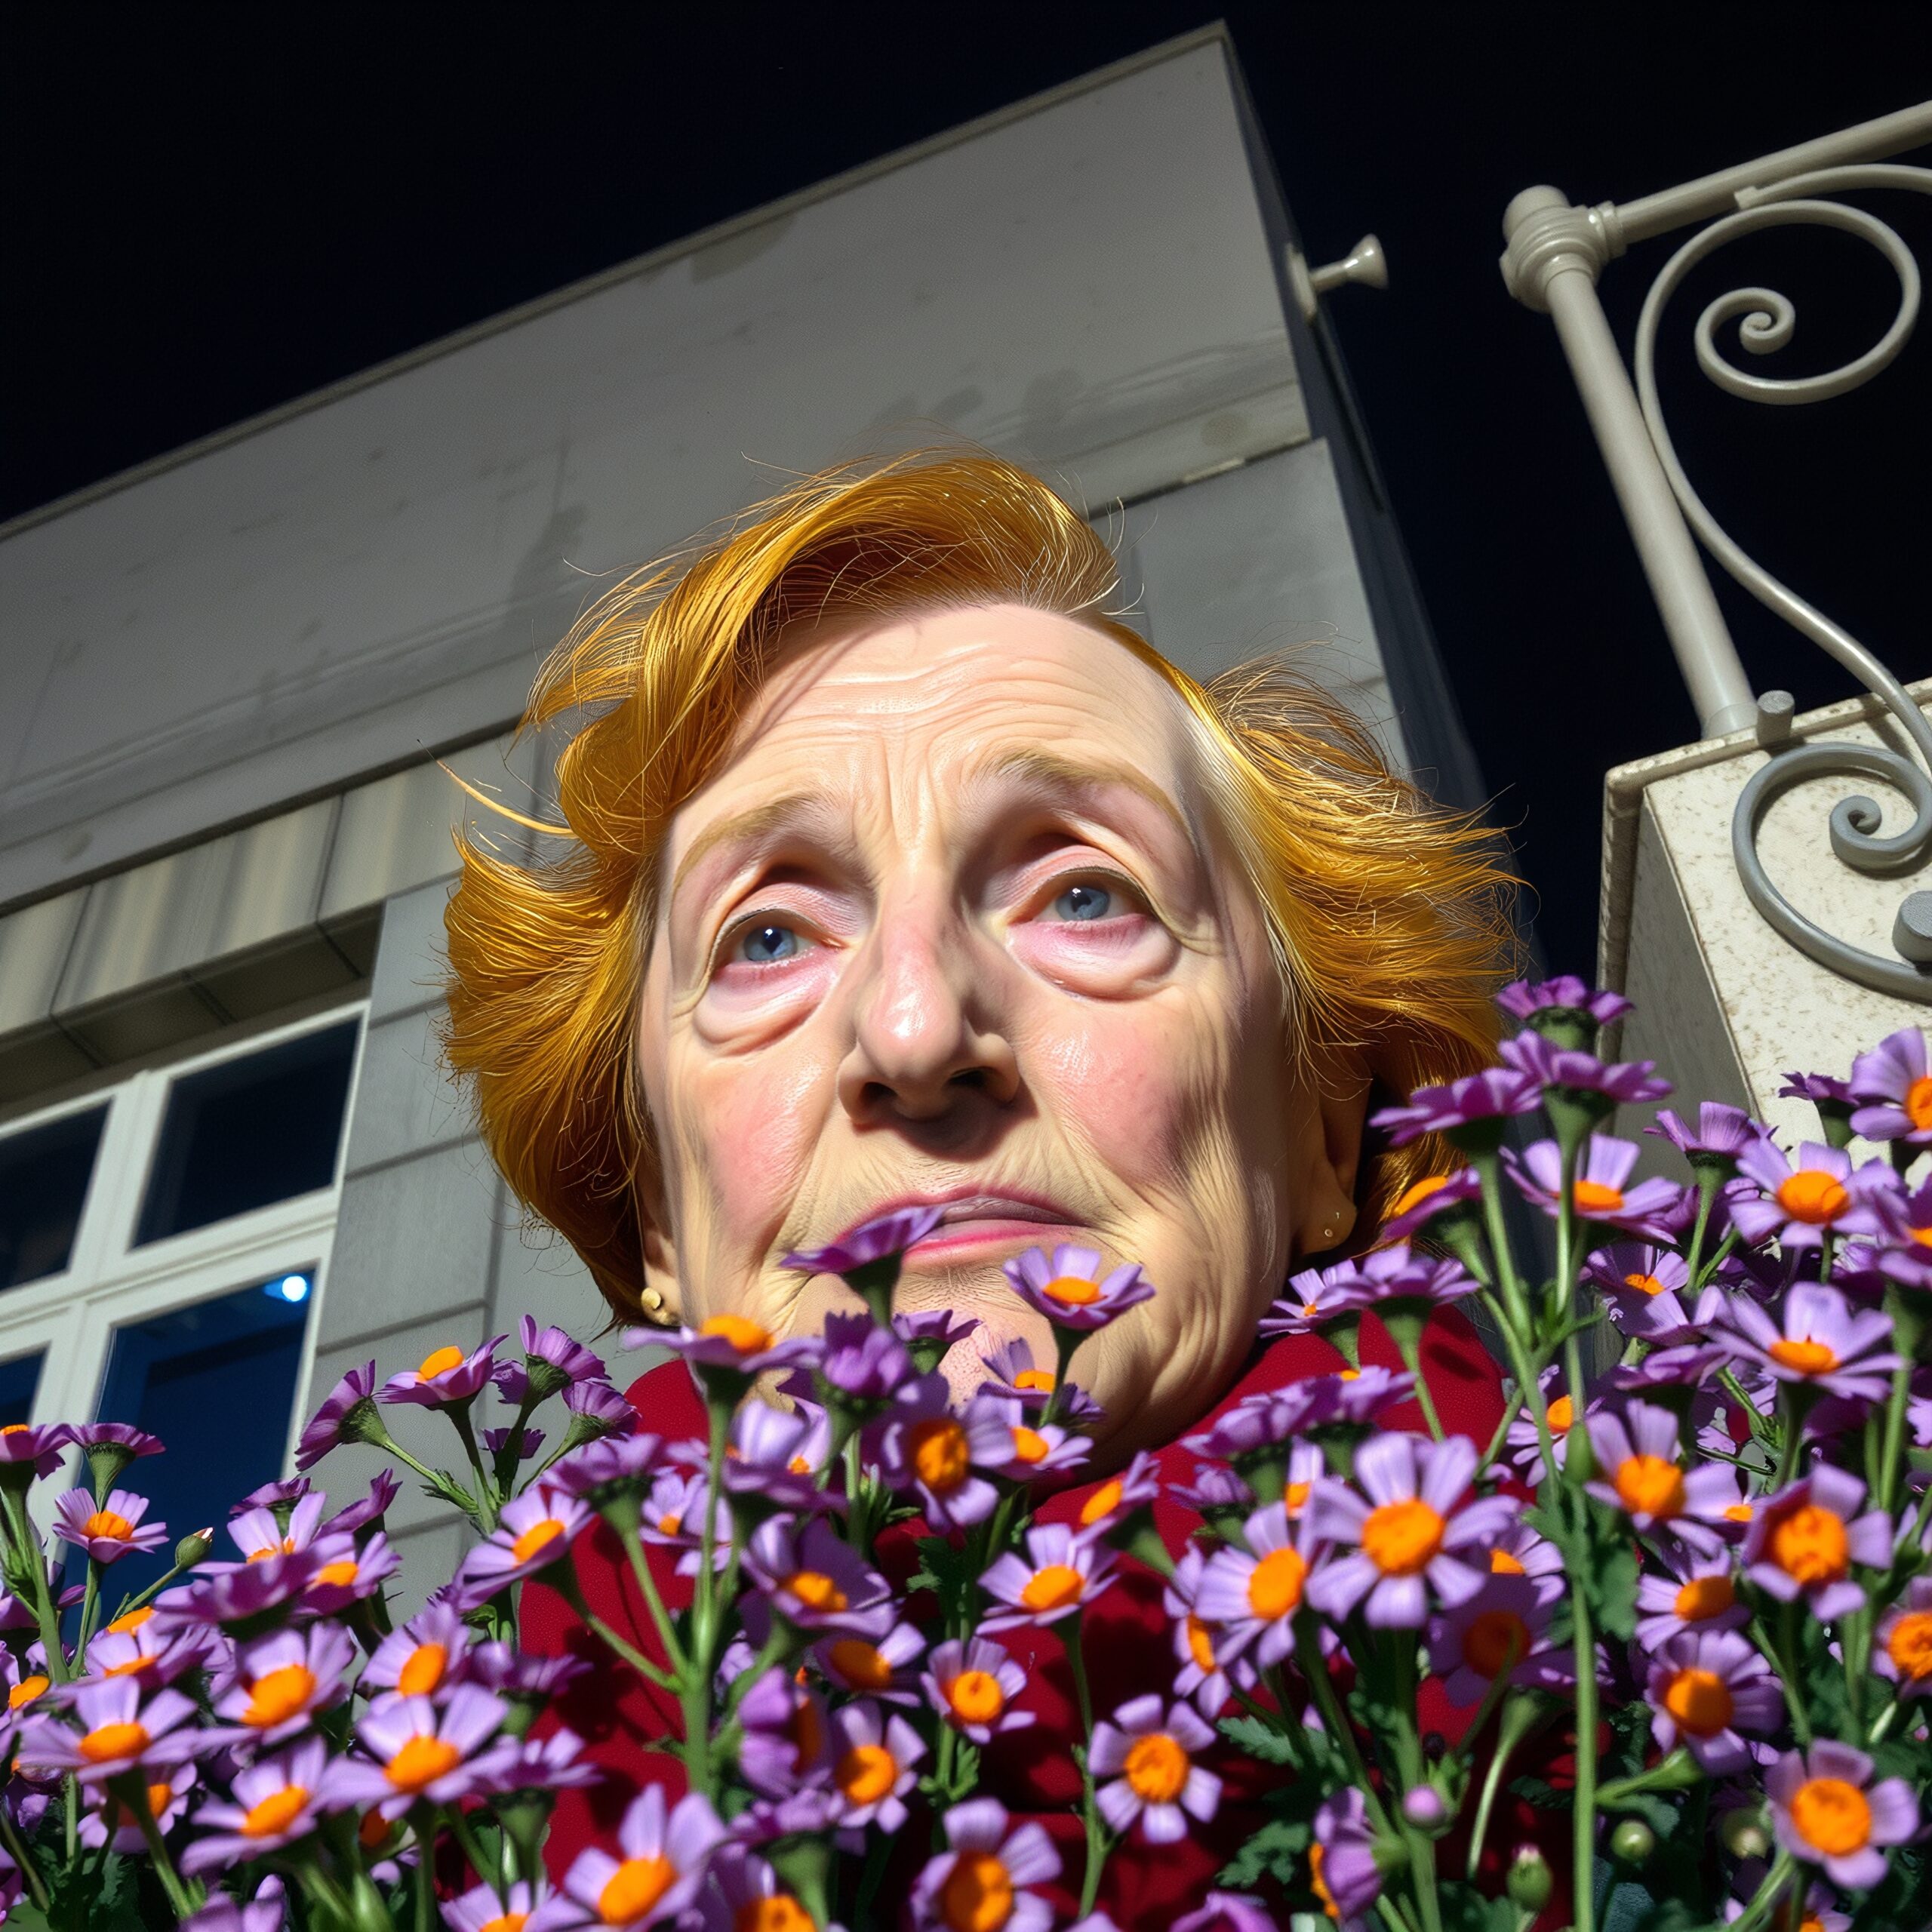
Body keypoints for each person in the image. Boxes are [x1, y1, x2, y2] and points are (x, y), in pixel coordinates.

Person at [442, 450, 1520, 1922]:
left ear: (1323, 1129)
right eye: (764, 936)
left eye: (1083, 891)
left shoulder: (1676, 1677)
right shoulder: (395, 1847)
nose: (915, 1032)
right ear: (650, 1219)